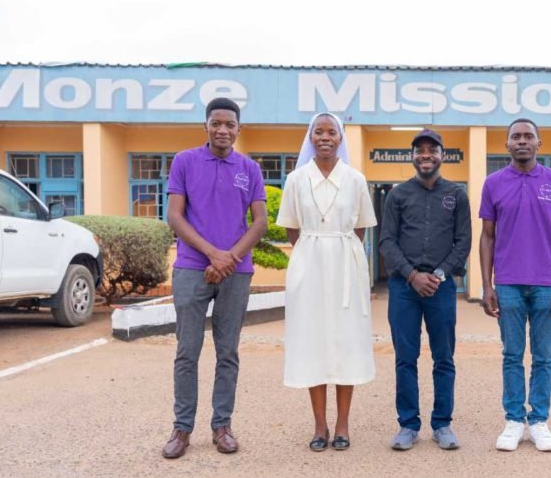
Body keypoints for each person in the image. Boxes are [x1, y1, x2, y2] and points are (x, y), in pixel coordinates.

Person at [162, 97, 268, 459]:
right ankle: (182, 429)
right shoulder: (185, 161)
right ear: (205, 126)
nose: (223, 130)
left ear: (239, 129)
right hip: (192, 268)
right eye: (216, 123)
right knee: (187, 352)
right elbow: (175, 216)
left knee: (228, 352)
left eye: (230, 125)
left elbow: (260, 222)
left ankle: (222, 426)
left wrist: (228, 259)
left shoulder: (250, 168)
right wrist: (212, 254)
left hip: (235, 272)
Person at [277, 112, 376, 451]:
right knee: (313, 341)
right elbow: (291, 227)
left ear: (340, 138)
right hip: (309, 264)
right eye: (318, 132)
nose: (324, 137)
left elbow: (360, 228)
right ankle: (320, 426)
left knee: (346, 341)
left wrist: (337, 248)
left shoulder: (355, 179)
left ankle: (343, 424)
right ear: (310, 137)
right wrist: (314, 248)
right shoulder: (296, 179)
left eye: (331, 132)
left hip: (346, 263)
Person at [479, 118, 551, 452]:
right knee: (512, 355)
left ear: (538, 143)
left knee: (543, 357)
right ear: (506, 144)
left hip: (547, 284)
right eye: (516, 136)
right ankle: (514, 421)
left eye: (528, 136)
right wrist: (486, 285)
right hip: (508, 284)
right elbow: (487, 236)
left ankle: (539, 422)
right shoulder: (493, 183)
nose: (522, 141)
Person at [379, 129, 472, 451]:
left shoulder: (457, 195)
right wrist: (411, 275)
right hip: (404, 288)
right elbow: (386, 241)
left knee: (443, 357)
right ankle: (408, 425)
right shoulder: (398, 196)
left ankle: (442, 424)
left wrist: (439, 274)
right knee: (406, 358)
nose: (426, 155)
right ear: (413, 156)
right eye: (420, 150)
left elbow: (463, 242)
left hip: (441, 288)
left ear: (442, 155)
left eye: (432, 150)